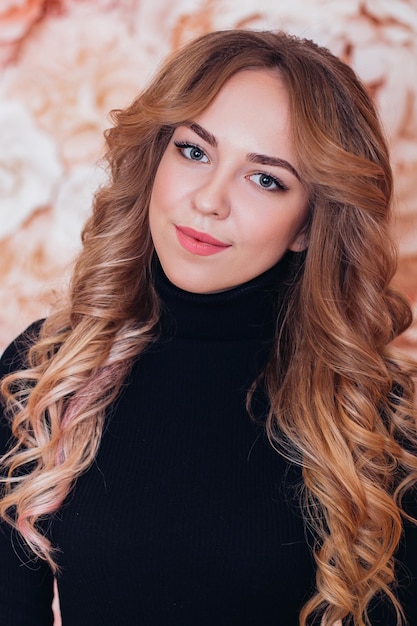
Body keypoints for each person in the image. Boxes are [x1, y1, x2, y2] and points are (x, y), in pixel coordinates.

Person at [0, 29, 416, 626]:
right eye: (194, 151)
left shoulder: (377, 422)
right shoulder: (44, 374)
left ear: (307, 226)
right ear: (156, 160)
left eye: (266, 178)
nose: (209, 201)